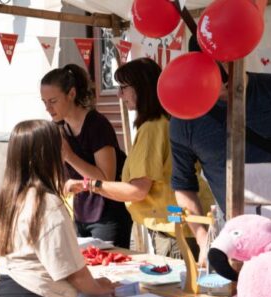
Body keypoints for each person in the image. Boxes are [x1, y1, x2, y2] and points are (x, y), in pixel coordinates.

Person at [0, 119, 117, 297]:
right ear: (45, 155)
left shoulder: (12, 196)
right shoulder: (45, 203)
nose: (63, 155)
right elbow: (72, 271)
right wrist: (101, 287)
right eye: (59, 149)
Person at [170, 38, 271, 261]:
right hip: (236, 237)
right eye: (210, 66)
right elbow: (183, 185)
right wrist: (203, 238)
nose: (221, 73)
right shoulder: (186, 117)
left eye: (226, 63)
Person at [87, 58, 214, 262]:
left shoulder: (153, 127)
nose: (119, 95)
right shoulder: (166, 121)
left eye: (123, 88)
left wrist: (91, 185)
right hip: (184, 222)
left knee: (181, 289)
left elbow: (137, 190)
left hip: (175, 228)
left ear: (141, 87)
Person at [40, 64, 132, 249]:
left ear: (71, 94)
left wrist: (69, 156)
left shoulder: (97, 125)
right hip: (80, 213)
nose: (48, 108)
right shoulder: (60, 128)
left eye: (53, 101)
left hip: (108, 214)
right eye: (44, 102)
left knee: (109, 271)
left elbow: (106, 177)